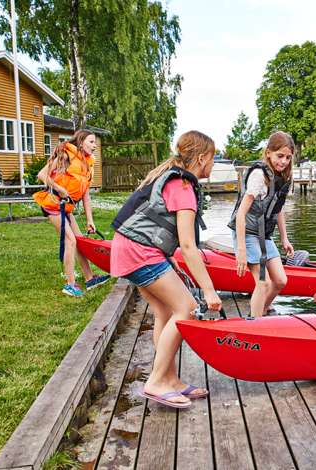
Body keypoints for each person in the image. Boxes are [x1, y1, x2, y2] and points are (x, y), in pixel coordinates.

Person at [110, 130, 222, 409]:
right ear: (201, 158)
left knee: (164, 310)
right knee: (186, 308)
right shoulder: (183, 188)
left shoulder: (172, 176)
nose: (213, 164)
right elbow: (187, 245)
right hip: (139, 251)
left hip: (130, 247)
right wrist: (208, 290)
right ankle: (157, 381)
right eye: (213, 158)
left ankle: (170, 379)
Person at [33, 130, 110, 297]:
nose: (95, 145)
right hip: (52, 204)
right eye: (91, 142)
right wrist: (60, 189)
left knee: (80, 241)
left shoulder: (88, 164)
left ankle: (90, 279)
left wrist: (90, 219)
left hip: (67, 208)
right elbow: (42, 175)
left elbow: (85, 194)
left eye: (95, 142)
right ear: (81, 142)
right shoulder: (66, 155)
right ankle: (70, 284)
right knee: (71, 240)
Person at [228, 131, 294, 317]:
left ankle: (261, 309)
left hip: (264, 235)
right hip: (247, 232)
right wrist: (241, 249)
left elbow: (277, 209)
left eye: (288, 157)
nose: (284, 161)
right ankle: (255, 323)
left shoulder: (283, 177)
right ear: (268, 153)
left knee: (280, 281)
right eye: (280, 156)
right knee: (262, 282)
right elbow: (241, 213)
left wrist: (285, 238)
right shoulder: (259, 176)